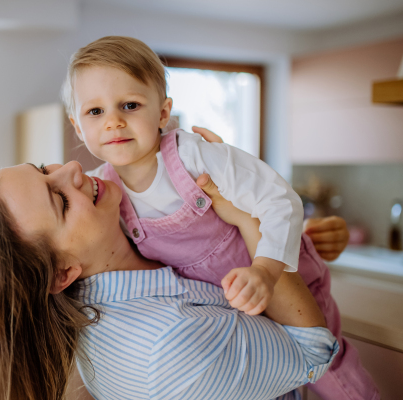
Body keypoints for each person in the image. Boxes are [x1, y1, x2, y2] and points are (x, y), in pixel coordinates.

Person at [61, 36, 378, 400]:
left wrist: (265, 271)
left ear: (163, 113)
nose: (114, 122)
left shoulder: (194, 156)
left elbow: (279, 200)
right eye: (95, 112)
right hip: (233, 301)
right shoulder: (105, 189)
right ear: (77, 125)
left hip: (283, 277)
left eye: (130, 105)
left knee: (333, 375)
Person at [0, 161, 338, 400]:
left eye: (44, 168)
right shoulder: (166, 345)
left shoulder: (132, 235)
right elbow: (313, 353)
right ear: (62, 273)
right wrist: (256, 222)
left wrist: (293, 242)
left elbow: (221, 253)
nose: (72, 167)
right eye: (62, 201)